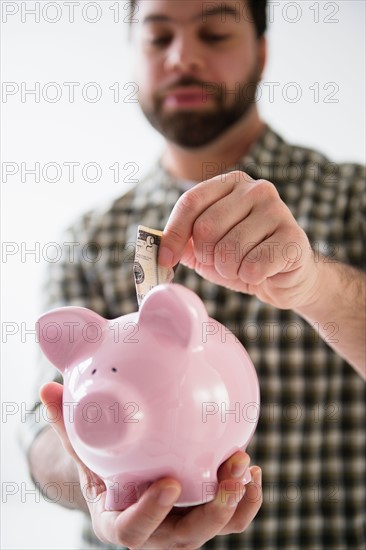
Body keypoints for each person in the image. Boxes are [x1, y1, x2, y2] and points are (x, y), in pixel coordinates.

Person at [24, 1, 365, 548]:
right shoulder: (87, 240)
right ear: (134, 57)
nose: (184, 57)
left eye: (214, 33)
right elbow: (42, 437)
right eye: (159, 39)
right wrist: (96, 477)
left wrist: (315, 286)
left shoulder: (355, 202)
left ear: (262, 50)